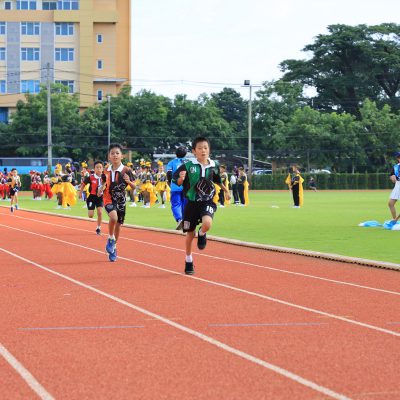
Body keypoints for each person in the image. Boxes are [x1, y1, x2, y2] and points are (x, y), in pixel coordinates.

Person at [172, 137, 231, 275]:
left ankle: (202, 233)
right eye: (199, 148)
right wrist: (181, 178)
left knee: (207, 223)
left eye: (205, 148)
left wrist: (226, 190)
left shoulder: (214, 165)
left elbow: (217, 179)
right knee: (190, 233)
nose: (203, 150)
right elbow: (175, 180)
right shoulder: (187, 165)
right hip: (191, 203)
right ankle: (188, 259)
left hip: (207, 201)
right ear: (194, 151)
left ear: (209, 150)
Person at [100, 143, 137, 262]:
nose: (115, 155)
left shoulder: (127, 170)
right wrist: (101, 188)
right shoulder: (106, 170)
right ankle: (110, 238)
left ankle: (114, 247)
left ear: (122, 156)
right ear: (109, 156)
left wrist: (129, 182)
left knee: (118, 224)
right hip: (108, 198)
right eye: (112, 153)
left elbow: (134, 186)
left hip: (121, 199)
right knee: (113, 218)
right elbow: (103, 183)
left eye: (117, 153)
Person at [167, 146, 188, 229]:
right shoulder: (189, 162)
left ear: (176, 154)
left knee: (176, 204)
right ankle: (185, 221)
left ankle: (179, 219)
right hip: (187, 187)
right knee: (185, 204)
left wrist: (169, 182)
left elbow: (169, 174)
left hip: (175, 186)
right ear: (185, 154)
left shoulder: (171, 163)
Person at [81, 161, 104, 235]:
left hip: (100, 197)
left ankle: (98, 227)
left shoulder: (105, 177)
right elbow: (83, 184)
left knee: (100, 212)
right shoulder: (90, 177)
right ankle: (90, 208)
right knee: (90, 215)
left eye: (100, 167)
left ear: (102, 168)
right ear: (94, 168)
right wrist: (80, 193)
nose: (99, 169)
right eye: (97, 167)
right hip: (91, 197)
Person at [388, 151, 400, 223]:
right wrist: (392, 177)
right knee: (390, 203)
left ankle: (396, 219)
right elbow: (391, 175)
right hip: (398, 185)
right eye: (399, 157)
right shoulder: (395, 167)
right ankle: (395, 220)